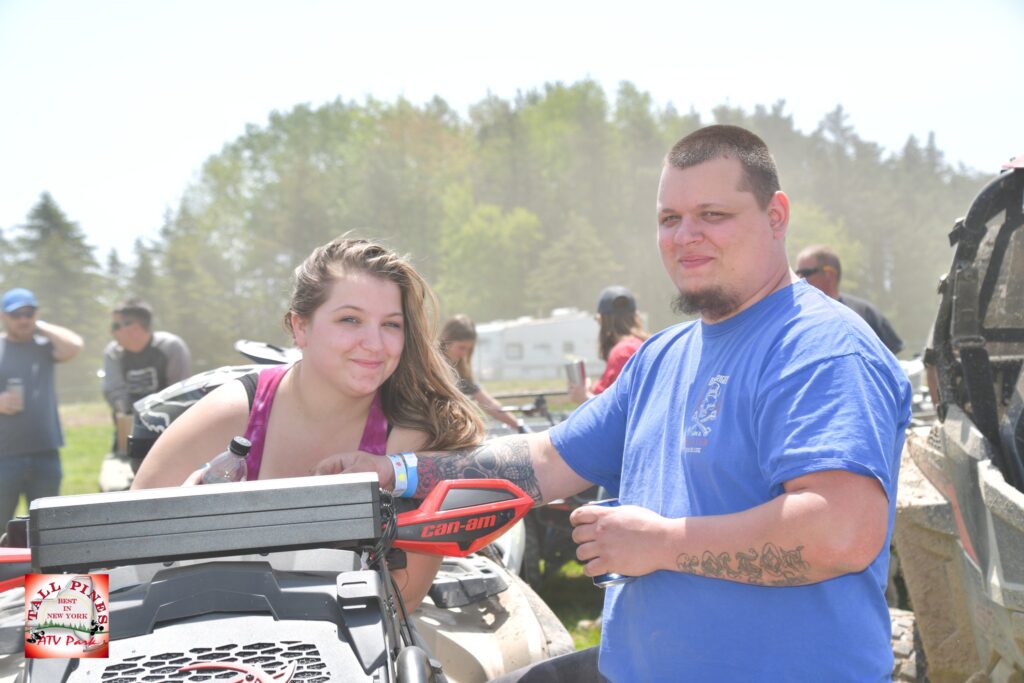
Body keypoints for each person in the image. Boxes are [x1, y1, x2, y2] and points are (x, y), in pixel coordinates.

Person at [318, 126, 913, 681]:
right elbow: (545, 461)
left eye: (713, 215)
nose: (685, 236)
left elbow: (841, 531)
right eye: (670, 218)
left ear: (775, 215)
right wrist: (398, 472)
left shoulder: (819, 348)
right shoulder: (663, 357)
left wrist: (663, 544)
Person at [132, 236, 484, 610]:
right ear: (300, 327)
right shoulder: (233, 413)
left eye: (391, 324)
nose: (375, 343)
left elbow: (403, 597)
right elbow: (108, 559)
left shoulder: (411, 440)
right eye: (350, 319)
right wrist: (183, 533)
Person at [0, 288, 83, 525]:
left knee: (46, 527)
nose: (23, 319)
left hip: (45, 453)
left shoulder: (43, 346)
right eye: (16, 315)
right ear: (3, 317)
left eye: (29, 313)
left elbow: (74, 345)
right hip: (4, 456)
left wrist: (40, 326)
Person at [102, 298, 192, 455]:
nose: (112, 332)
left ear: (134, 328)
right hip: (129, 431)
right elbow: (114, 391)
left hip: (171, 430)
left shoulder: (171, 347)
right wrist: (133, 419)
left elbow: (180, 393)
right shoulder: (113, 353)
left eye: (115, 326)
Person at [795, 244, 904, 354]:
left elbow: (891, 355)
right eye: (797, 274)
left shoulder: (865, 313)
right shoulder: (797, 318)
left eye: (806, 273)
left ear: (829, 274)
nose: (800, 279)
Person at [440, 315, 525, 432]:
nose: (464, 354)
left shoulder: (461, 373)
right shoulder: (430, 367)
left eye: (468, 349)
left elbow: (488, 402)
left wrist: (519, 425)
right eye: (461, 347)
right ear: (447, 341)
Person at [567, 285, 649, 404]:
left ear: (603, 320)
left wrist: (584, 397)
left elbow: (621, 406)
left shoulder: (622, 352)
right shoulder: (642, 344)